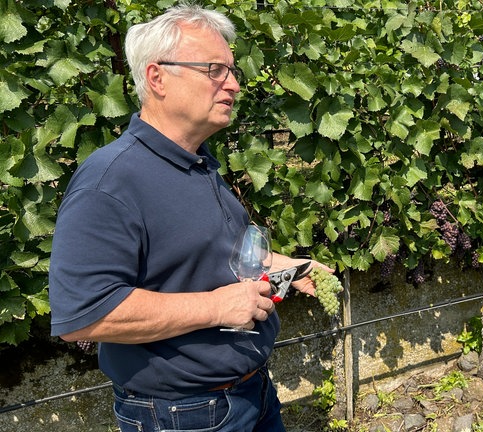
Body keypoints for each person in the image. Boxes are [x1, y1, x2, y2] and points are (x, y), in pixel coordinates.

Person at [48, 3, 331, 431]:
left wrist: (287, 268)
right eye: (215, 69)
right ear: (157, 77)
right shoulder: (110, 182)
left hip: (250, 393)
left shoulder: (196, 163)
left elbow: (210, 257)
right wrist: (216, 307)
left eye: (232, 71)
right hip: (184, 415)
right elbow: (84, 314)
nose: (233, 85)